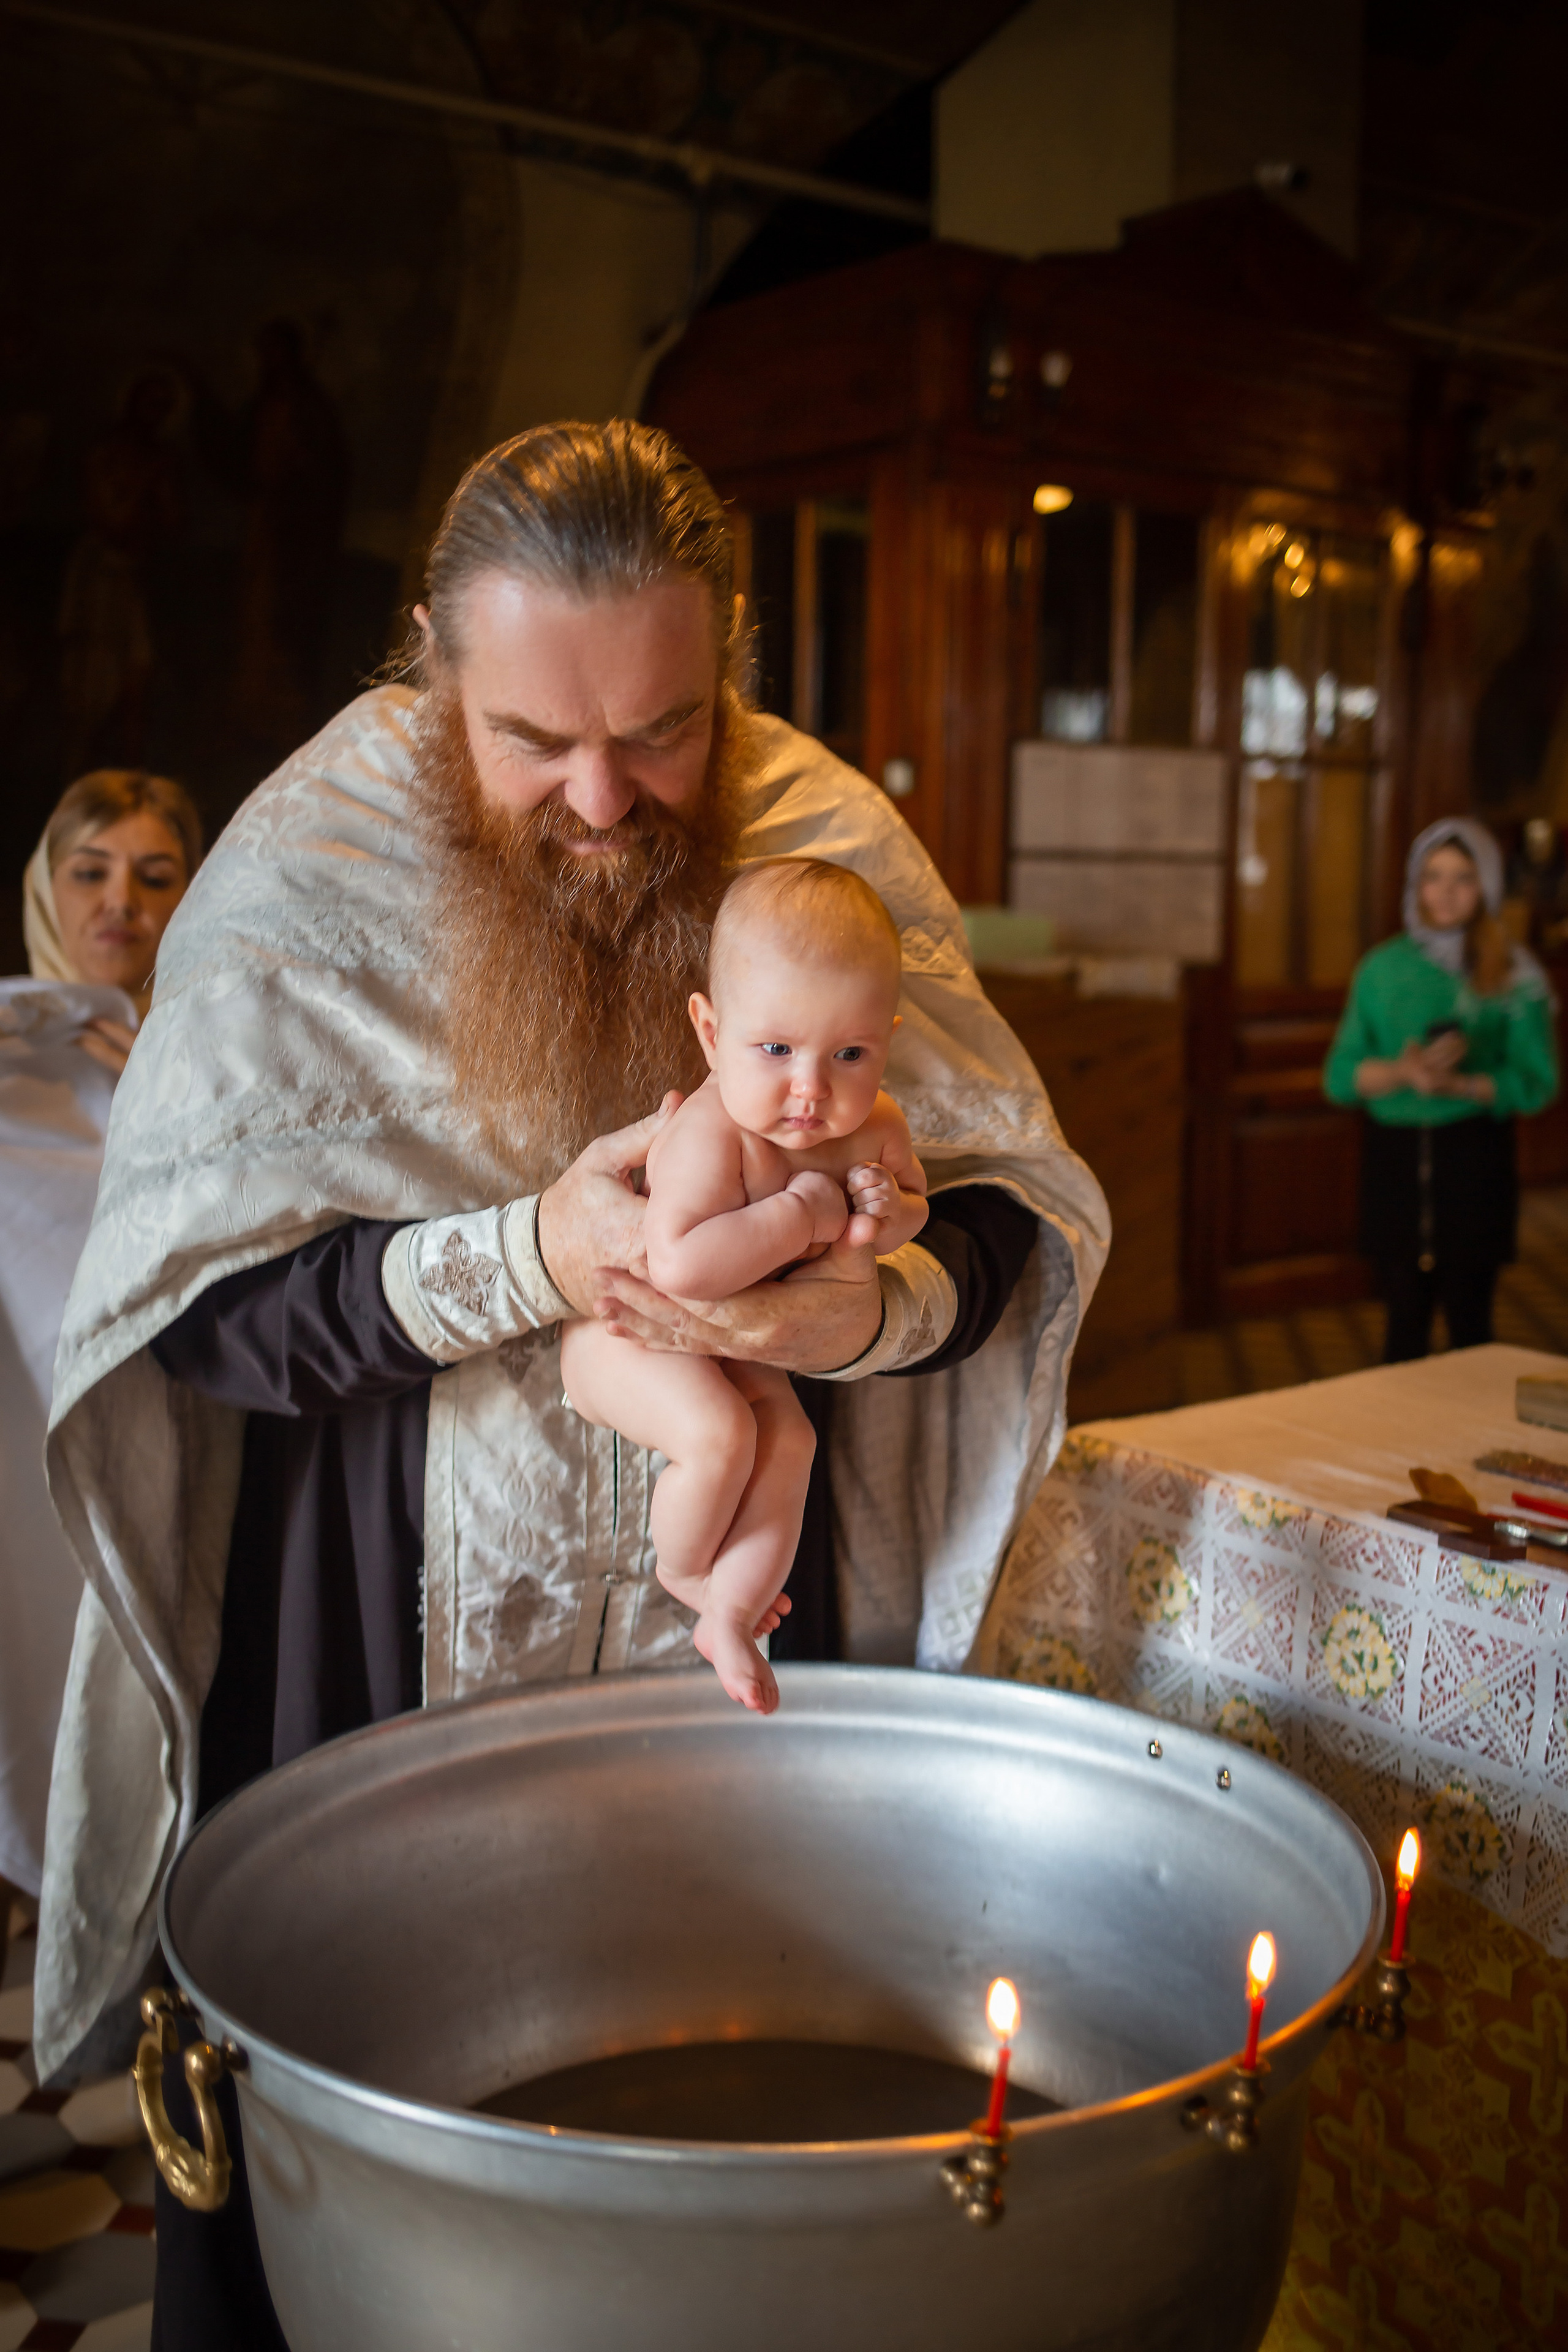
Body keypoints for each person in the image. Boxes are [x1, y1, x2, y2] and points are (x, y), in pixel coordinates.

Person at [31, 423, 1106, 2345]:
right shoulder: (305, 865)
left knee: (723, 2146)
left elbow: (1001, 1218)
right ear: (434, 660)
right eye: (533, 737)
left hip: (752, 1653)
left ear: (731, 671)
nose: (603, 798)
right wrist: (532, 1255)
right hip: (376, 1631)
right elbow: (193, 1314)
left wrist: (866, 1315)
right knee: (359, 2181)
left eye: (664, 732)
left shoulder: (826, 843)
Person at [565, 858, 930, 1713]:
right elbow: (681, 1267)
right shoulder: (713, 1130)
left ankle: (727, 1617)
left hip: (733, 1342)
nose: (811, 1089)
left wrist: (890, 1211)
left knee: (791, 1439)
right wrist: (799, 1216)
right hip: (627, 1333)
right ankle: (686, 1571)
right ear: (710, 1032)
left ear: (887, 1038)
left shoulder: (877, 1124)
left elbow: (914, 1211)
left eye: (850, 1054)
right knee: (722, 1432)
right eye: (775, 1050)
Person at [0, 771, 198, 1944]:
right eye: (91, 871)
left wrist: (158, 1087)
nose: (120, 900)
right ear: (47, 888)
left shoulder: (215, 1048)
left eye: (155, 876)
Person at [1324, 817, 1558, 1360]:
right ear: (1415, 884)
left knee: (1471, 1329)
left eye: (1463, 878)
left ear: (1488, 885)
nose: (1446, 893)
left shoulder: (1514, 973)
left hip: (1472, 1162)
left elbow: (1537, 1083)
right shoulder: (1381, 968)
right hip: (1395, 1165)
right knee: (1402, 1328)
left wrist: (1461, 1083)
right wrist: (1404, 1073)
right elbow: (1338, 1077)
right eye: (1433, 877)